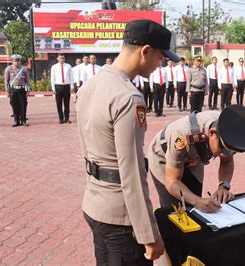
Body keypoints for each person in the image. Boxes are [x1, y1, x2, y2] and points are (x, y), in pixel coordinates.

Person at [76, 19, 180, 265]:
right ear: (145, 51)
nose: (160, 64)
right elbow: (132, 172)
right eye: (160, 58)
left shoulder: (90, 85)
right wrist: (149, 234)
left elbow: (86, 148)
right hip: (121, 217)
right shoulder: (128, 97)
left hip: (94, 204)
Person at [147, 104, 245, 212]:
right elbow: (172, 181)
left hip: (193, 156)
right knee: (176, 210)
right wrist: (197, 201)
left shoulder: (226, 131)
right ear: (212, 133)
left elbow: (227, 162)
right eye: (224, 150)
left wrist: (223, 187)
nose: (225, 155)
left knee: (195, 207)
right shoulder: (182, 136)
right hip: (164, 156)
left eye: (232, 152)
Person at [5, 54, 30, 127]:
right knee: (14, 105)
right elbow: (6, 81)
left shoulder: (24, 69)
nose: (17, 63)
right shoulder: (8, 69)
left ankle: (24, 120)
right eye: (15, 61)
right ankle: (16, 121)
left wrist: (28, 90)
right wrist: (7, 91)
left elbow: (27, 80)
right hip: (13, 89)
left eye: (18, 61)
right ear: (12, 61)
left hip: (22, 89)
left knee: (23, 105)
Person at [50, 54, 74, 124]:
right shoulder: (54, 67)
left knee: (67, 104)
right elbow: (52, 78)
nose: (62, 60)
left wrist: (72, 86)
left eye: (63, 58)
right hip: (58, 86)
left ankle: (67, 118)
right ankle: (61, 118)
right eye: (60, 58)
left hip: (66, 86)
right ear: (57, 58)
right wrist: (53, 88)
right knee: (59, 104)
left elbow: (71, 77)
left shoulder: (68, 66)